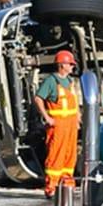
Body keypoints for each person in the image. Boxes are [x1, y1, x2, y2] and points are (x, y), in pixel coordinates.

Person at [38, 50, 82, 195]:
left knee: (70, 154)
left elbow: (74, 103)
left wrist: (77, 118)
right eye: (70, 64)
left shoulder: (70, 82)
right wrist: (47, 117)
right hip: (58, 125)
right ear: (62, 65)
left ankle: (67, 182)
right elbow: (38, 99)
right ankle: (51, 186)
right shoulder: (51, 81)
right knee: (56, 154)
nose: (72, 67)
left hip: (70, 125)